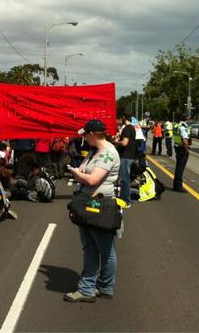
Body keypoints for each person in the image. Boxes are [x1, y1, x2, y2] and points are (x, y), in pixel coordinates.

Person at [64, 119, 120, 302]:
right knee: (94, 247)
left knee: (102, 249)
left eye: (85, 135)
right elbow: (84, 171)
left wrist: (76, 174)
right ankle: (103, 286)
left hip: (98, 206)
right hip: (90, 204)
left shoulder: (108, 153)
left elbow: (92, 180)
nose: (83, 138)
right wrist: (80, 172)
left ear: (92, 135)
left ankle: (89, 288)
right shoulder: (96, 151)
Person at [113, 114, 136, 206]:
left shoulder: (126, 128)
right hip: (129, 155)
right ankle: (124, 198)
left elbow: (124, 143)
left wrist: (115, 142)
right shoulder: (132, 128)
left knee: (124, 179)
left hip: (125, 156)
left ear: (123, 118)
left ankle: (126, 200)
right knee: (125, 178)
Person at [172, 114, 190, 193]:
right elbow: (184, 139)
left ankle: (176, 185)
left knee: (178, 167)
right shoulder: (183, 127)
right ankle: (178, 186)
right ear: (187, 118)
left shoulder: (177, 125)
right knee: (180, 168)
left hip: (177, 147)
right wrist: (187, 149)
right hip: (182, 148)